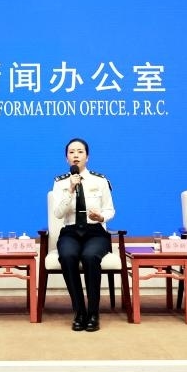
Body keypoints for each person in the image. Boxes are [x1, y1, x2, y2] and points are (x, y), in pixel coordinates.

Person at [52, 138, 115, 332]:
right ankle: (79, 311)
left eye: (80, 152)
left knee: (90, 256)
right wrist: (70, 190)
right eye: (71, 152)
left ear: (87, 157)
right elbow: (58, 214)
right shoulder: (60, 183)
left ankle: (93, 313)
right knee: (67, 256)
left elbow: (110, 210)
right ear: (66, 158)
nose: (76, 156)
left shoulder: (100, 180)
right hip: (70, 231)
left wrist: (101, 217)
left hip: (95, 231)